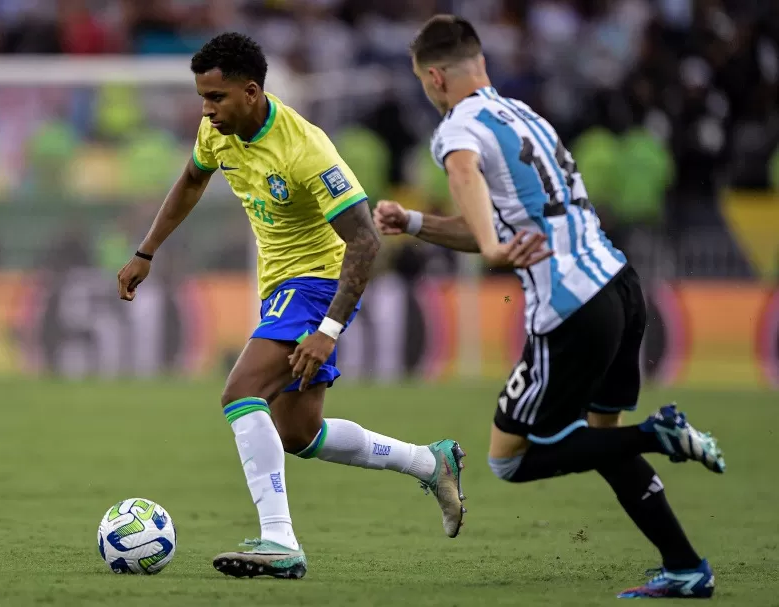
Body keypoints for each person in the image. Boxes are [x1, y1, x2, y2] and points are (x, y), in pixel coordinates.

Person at [374, 15, 725, 600]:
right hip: (619, 286)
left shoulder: (457, 126)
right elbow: (508, 220)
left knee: (510, 460)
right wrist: (413, 223)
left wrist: (489, 248)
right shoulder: (527, 116)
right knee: (598, 438)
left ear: (435, 76)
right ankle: (687, 566)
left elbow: (465, 178)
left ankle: (659, 434)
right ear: (480, 62)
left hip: (569, 308)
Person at [117, 33, 468, 581]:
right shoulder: (218, 133)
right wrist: (146, 251)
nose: (206, 111)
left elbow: (366, 240)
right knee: (298, 433)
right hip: (280, 287)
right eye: (202, 98)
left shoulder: (306, 149)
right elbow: (191, 179)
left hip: (318, 284)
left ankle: (279, 540)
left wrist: (327, 328)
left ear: (252, 91)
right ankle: (429, 461)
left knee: (240, 393)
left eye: (216, 98)